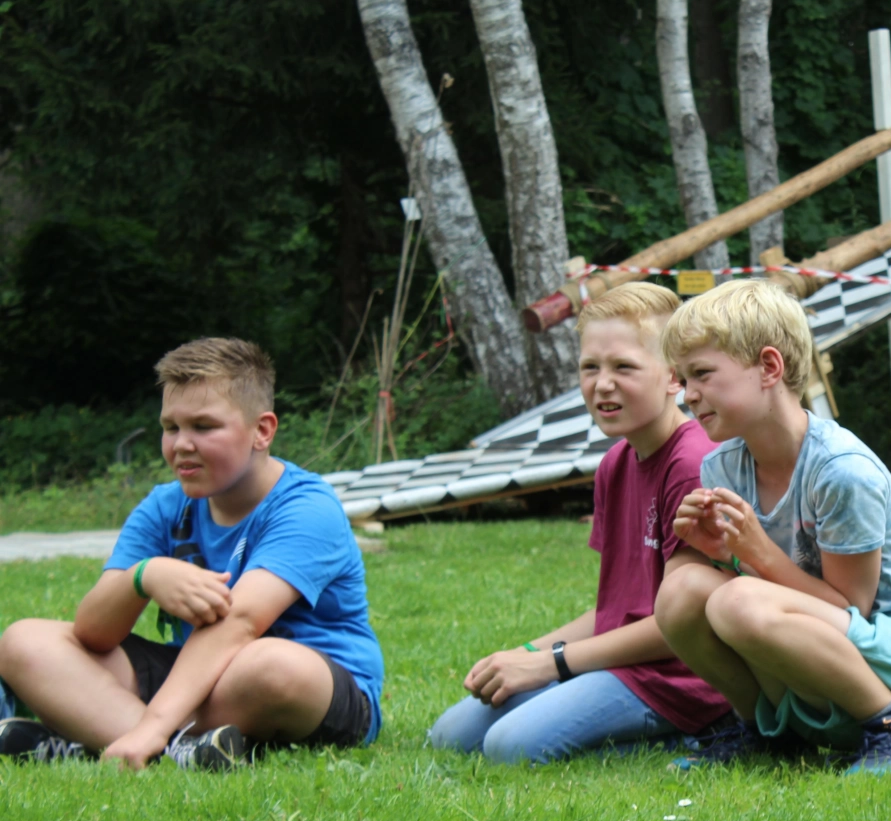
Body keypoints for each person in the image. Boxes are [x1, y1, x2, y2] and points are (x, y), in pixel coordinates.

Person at [0, 338, 382, 769]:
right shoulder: (165, 505)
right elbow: (92, 632)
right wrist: (143, 576)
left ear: (262, 430)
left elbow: (239, 622)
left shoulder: (307, 506)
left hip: (310, 685)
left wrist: (152, 725)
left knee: (270, 666)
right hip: (196, 675)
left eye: (203, 427)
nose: (181, 444)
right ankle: (180, 751)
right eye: (171, 427)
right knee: (23, 642)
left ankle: (107, 736)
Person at [652, 279, 891, 774]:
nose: (688, 395)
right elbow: (747, 590)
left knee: (736, 600)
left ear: (769, 368)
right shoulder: (722, 467)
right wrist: (712, 551)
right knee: (681, 591)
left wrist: (755, 554)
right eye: (683, 379)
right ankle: (767, 733)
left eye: (702, 374)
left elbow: (850, 607)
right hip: (814, 642)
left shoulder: (841, 470)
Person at [427, 283, 729, 764]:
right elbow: (615, 611)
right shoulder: (615, 463)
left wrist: (550, 665)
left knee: (511, 748)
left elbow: (680, 623)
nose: (602, 384)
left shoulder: (694, 464)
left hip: (678, 680)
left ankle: (703, 737)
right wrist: (525, 653)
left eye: (623, 367)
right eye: (590, 367)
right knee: (449, 735)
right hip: (614, 663)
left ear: (674, 377)